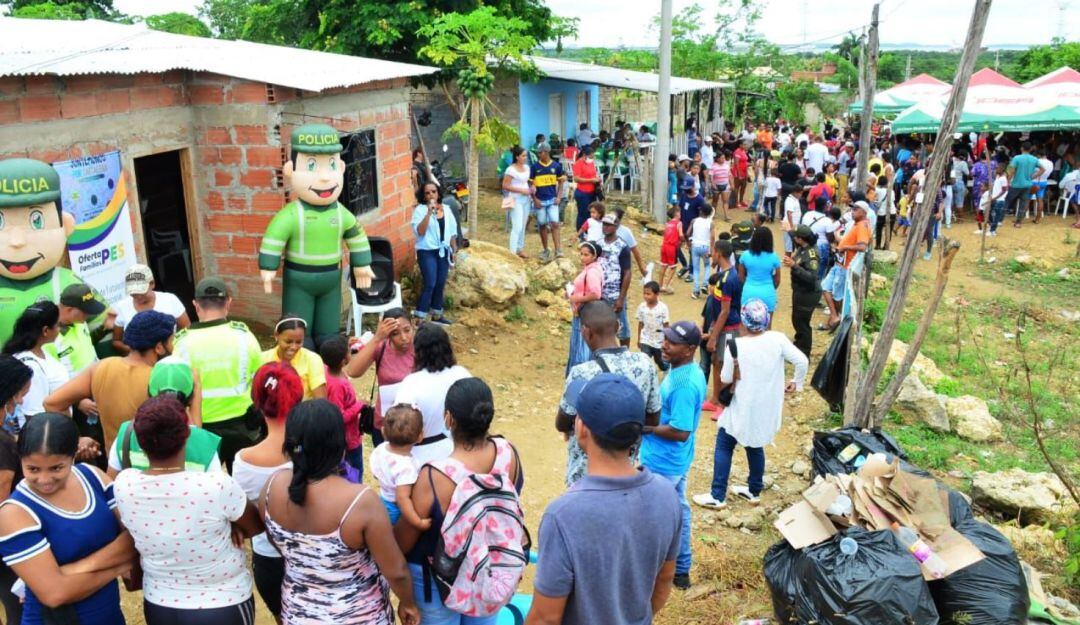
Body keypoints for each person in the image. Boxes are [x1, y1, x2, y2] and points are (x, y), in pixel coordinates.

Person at [525, 373, 679, 625]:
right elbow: (664, 580)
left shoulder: (563, 516)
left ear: (582, 428)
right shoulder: (666, 496)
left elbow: (544, 619)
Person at [261, 400, 419, 625]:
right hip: (360, 616)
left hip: (298, 614)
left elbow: (280, 545)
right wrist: (408, 603)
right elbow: (396, 571)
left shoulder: (270, 487)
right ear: (339, 444)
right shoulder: (359, 502)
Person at [113, 395, 262, 624]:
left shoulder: (125, 485)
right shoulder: (215, 486)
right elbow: (255, 524)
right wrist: (231, 526)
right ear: (188, 434)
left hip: (159, 604)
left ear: (139, 441)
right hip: (222, 602)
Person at [395, 377, 523, 625]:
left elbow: (405, 540)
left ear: (449, 419)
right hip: (489, 571)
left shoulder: (434, 476)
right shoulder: (508, 453)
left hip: (437, 580)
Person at [0, 412, 136, 625]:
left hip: (109, 616)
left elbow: (136, 538)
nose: (44, 480)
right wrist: (118, 566)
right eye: (33, 469)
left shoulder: (93, 477)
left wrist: (73, 570)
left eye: (56, 468)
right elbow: (54, 594)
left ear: (73, 456)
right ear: (21, 460)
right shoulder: (13, 513)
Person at [693, 300, 808, 509]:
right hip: (767, 405)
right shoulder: (778, 339)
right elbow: (802, 361)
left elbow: (726, 377)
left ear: (743, 323)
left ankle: (717, 495)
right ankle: (754, 490)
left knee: (724, 444)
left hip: (742, 405)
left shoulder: (735, 346)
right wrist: (796, 382)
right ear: (766, 321)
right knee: (755, 445)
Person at [556, 301, 660, 487]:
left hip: (586, 473)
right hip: (626, 467)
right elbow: (652, 419)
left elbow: (562, 422)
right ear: (619, 327)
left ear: (586, 332)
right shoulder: (645, 364)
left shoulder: (581, 373)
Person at [45, 309, 176, 453]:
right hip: (156, 465)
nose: (174, 345)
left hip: (116, 467)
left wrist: (76, 440)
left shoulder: (101, 367)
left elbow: (52, 403)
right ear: (159, 347)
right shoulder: (163, 377)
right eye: (171, 340)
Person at [232, 362, 304, 622]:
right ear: (298, 396)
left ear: (257, 401)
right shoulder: (315, 452)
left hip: (268, 557)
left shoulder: (244, 460)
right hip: (313, 555)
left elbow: (241, 516)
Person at [639, 321, 707, 590]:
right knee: (679, 511)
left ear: (689, 349)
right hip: (675, 459)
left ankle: (654, 573)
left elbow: (680, 431)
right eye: (665, 339)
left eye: (672, 343)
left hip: (664, 462)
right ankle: (681, 570)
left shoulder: (683, 385)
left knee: (652, 517)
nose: (664, 345)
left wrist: (647, 428)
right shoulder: (687, 370)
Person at [173, 277, 262, 472]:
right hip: (243, 426)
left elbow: (178, 390)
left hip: (202, 428)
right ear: (228, 302)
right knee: (243, 481)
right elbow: (260, 379)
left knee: (206, 487)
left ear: (195, 305)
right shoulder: (245, 337)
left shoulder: (181, 343)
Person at [107, 356, 219, 476]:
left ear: (149, 392)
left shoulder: (126, 434)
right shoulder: (205, 445)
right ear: (191, 398)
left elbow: (111, 483)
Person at [394, 323, 470, 464]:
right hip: (458, 452)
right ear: (447, 347)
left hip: (421, 456)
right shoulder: (462, 374)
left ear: (417, 352)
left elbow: (401, 427)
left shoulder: (411, 383)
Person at [345, 308, 415, 448]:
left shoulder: (422, 347)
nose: (403, 337)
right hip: (384, 423)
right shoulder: (381, 347)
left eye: (407, 330)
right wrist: (377, 337)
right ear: (388, 335)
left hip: (414, 424)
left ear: (413, 326)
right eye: (395, 333)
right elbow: (352, 371)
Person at [0, 356, 32, 623]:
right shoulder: (2, 445)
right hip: (5, 547)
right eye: (20, 395)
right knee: (17, 609)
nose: (20, 402)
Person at [3, 301, 67, 420]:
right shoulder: (30, 365)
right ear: (46, 331)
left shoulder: (40, 350)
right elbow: (34, 416)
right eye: (58, 325)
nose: (59, 329)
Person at [369, 404, 429, 528]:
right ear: (420, 436)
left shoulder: (380, 449)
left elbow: (375, 473)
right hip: (396, 510)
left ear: (383, 431)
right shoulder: (406, 467)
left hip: (383, 500)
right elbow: (402, 499)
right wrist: (418, 522)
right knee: (396, 537)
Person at [110, 264, 190, 354]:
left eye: (141, 291)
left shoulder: (170, 299)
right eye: (133, 293)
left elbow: (186, 328)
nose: (138, 297)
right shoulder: (122, 307)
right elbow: (116, 341)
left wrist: (170, 345)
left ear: (152, 284)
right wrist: (137, 352)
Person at [702, 240, 742, 416]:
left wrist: (713, 336)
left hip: (729, 327)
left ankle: (724, 405)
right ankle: (715, 399)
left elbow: (725, 311)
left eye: (713, 251)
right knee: (716, 361)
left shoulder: (727, 279)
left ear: (718, 253)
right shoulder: (724, 275)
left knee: (725, 364)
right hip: (720, 325)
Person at [413, 181, 458, 325]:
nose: (431, 194)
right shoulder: (420, 210)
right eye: (427, 193)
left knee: (440, 283)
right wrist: (428, 213)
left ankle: (437, 315)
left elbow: (452, 232)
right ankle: (420, 317)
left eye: (433, 191)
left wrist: (454, 250)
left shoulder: (446, 209)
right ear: (424, 196)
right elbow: (420, 231)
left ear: (438, 193)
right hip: (427, 252)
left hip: (443, 251)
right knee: (430, 283)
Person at [822, 202, 871, 330]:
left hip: (845, 266)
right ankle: (834, 316)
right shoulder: (856, 224)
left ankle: (837, 320)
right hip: (840, 263)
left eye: (856, 209)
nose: (852, 211)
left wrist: (844, 247)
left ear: (863, 212)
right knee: (825, 288)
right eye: (852, 209)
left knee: (837, 295)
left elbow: (862, 246)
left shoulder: (862, 226)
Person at [321, 336, 363, 476]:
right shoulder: (338, 385)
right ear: (343, 361)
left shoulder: (326, 369)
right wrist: (359, 405)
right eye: (348, 352)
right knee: (354, 472)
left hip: (346, 437)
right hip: (348, 440)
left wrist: (345, 345)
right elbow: (339, 417)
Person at [47, 283, 105, 380]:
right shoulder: (48, 338)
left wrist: (104, 328)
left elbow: (87, 349)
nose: (88, 314)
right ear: (69, 310)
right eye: (85, 311)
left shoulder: (80, 321)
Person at [262, 315, 327, 399]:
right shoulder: (263, 359)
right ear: (276, 335)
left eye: (299, 342)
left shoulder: (312, 360)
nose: (293, 347)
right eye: (288, 342)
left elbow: (321, 401)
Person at [565, 241, 604, 375]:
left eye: (586, 255)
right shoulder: (590, 268)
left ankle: (581, 375)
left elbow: (595, 293)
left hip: (585, 314)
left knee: (582, 345)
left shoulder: (592, 272)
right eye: (581, 254)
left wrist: (576, 298)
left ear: (594, 256)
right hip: (585, 312)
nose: (582, 257)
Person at [784, 226, 822, 357]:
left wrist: (794, 266)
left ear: (801, 239)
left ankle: (804, 353)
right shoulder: (802, 248)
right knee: (796, 319)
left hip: (808, 293)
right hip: (800, 291)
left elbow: (812, 277)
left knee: (802, 324)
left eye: (796, 236)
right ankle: (798, 346)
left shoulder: (811, 255)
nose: (794, 238)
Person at [530, 143, 567, 262]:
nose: (539, 154)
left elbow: (561, 183)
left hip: (552, 200)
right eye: (538, 152)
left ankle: (558, 250)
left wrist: (559, 197)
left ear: (546, 152)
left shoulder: (556, 166)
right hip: (540, 201)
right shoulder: (535, 167)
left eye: (540, 152)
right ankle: (546, 250)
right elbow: (530, 184)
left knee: (555, 224)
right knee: (542, 225)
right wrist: (534, 199)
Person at [738, 227, 781, 315]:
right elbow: (777, 280)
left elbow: (741, 277)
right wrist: (771, 288)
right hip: (767, 292)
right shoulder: (774, 257)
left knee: (746, 325)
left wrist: (748, 284)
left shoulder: (745, 255)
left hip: (749, 291)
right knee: (767, 326)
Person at [503, 146, 532, 259]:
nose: (525, 158)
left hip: (526, 199)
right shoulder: (511, 169)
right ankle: (512, 251)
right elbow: (505, 185)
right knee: (517, 226)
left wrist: (531, 188)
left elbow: (528, 181)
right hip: (515, 199)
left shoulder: (527, 168)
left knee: (523, 225)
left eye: (526, 155)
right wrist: (521, 190)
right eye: (523, 156)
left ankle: (520, 248)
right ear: (517, 157)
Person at [1007, 142, 1045, 228]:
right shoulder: (1034, 159)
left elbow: (1011, 170)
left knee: (1007, 200)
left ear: (1021, 148)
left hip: (1016, 184)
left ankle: (998, 218)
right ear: (1030, 149)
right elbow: (1043, 169)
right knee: (1023, 204)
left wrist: (1007, 180)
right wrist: (1033, 176)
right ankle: (1018, 222)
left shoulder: (1016, 158)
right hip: (1027, 185)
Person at [636, 281, 670, 370]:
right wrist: (639, 339)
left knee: (660, 362)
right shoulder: (641, 307)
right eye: (644, 293)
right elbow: (640, 323)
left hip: (659, 341)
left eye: (648, 294)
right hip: (645, 340)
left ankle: (667, 368)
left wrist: (666, 341)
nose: (645, 296)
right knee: (645, 362)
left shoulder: (663, 308)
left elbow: (666, 326)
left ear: (657, 294)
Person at [687, 203, 714, 298]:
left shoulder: (694, 221)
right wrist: (712, 250)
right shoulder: (710, 223)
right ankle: (705, 284)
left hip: (695, 246)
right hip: (705, 247)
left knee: (696, 269)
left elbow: (687, 233)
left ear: (701, 211)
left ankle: (696, 291)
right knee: (707, 266)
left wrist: (689, 242)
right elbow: (713, 237)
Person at [572, 146, 601, 231]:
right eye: (591, 157)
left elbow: (593, 174)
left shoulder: (591, 163)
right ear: (584, 155)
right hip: (582, 192)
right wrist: (591, 180)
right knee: (583, 214)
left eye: (593, 157)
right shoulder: (578, 163)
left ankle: (588, 231)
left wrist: (597, 179)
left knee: (590, 213)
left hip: (592, 192)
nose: (592, 159)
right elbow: (576, 178)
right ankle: (580, 232)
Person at [658, 207, 682, 294]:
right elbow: (681, 234)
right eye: (679, 212)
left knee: (663, 266)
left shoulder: (667, 223)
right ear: (676, 213)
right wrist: (682, 240)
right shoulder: (679, 223)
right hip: (672, 247)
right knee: (673, 267)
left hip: (664, 246)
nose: (680, 214)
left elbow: (665, 233)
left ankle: (660, 285)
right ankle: (665, 286)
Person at [987, 161, 1009, 236]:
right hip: (994, 199)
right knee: (989, 213)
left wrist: (995, 198)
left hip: (999, 200)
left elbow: (1004, 190)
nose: (996, 169)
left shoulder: (1003, 179)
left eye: (998, 168)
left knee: (996, 216)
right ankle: (991, 228)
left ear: (1002, 169)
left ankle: (993, 230)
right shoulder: (997, 177)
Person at [781, 183, 804, 253]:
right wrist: (791, 227)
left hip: (793, 224)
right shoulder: (790, 200)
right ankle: (787, 262)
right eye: (800, 193)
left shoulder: (795, 199)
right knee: (789, 247)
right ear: (795, 192)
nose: (801, 195)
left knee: (792, 246)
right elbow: (789, 214)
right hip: (789, 225)